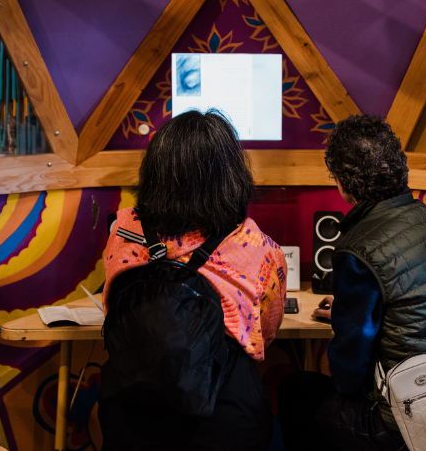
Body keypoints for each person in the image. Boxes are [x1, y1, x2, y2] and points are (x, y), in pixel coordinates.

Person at [280, 115, 426, 451]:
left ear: (343, 182)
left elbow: (348, 373)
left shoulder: (358, 248)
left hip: (406, 427)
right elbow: (422, 312)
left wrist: (346, 318)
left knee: (296, 391)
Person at [99, 110, 286, 451]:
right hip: (223, 421)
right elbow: (265, 332)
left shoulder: (123, 231)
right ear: (231, 174)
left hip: (131, 417)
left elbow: (112, 305)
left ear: (154, 171)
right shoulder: (257, 246)